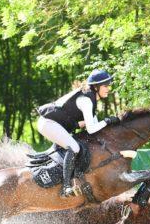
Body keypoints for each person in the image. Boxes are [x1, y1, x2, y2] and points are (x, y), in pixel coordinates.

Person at [37, 69, 120, 197]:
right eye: (105, 86)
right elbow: (92, 129)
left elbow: (94, 128)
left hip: (54, 124)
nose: (108, 88)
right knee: (74, 147)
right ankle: (66, 187)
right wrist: (107, 121)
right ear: (96, 87)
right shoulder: (86, 100)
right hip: (47, 123)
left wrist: (108, 124)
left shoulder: (90, 99)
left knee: (77, 145)